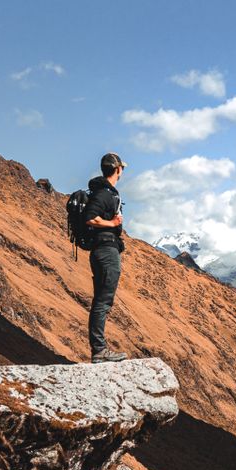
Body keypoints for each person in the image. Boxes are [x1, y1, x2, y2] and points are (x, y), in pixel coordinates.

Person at [85, 152, 128, 363]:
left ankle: (99, 349)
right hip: (106, 251)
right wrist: (112, 224)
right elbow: (90, 217)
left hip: (102, 250)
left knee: (102, 301)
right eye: (122, 169)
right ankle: (99, 349)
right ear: (118, 169)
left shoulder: (105, 192)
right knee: (103, 302)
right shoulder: (105, 194)